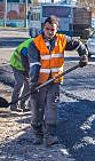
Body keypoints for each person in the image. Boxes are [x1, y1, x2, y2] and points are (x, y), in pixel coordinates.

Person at [28, 15, 88, 146]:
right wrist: (33, 84)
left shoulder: (62, 40)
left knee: (52, 108)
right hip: (39, 82)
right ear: (43, 28)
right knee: (37, 109)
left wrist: (83, 56)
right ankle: (38, 135)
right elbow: (34, 65)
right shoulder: (35, 43)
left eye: (52, 29)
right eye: (47, 29)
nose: (50, 32)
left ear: (56, 29)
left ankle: (50, 136)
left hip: (55, 81)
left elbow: (79, 44)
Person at [9, 37, 34, 112]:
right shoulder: (29, 46)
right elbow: (25, 61)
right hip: (17, 65)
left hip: (25, 66)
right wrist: (28, 73)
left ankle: (23, 105)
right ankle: (13, 105)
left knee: (29, 85)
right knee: (19, 83)